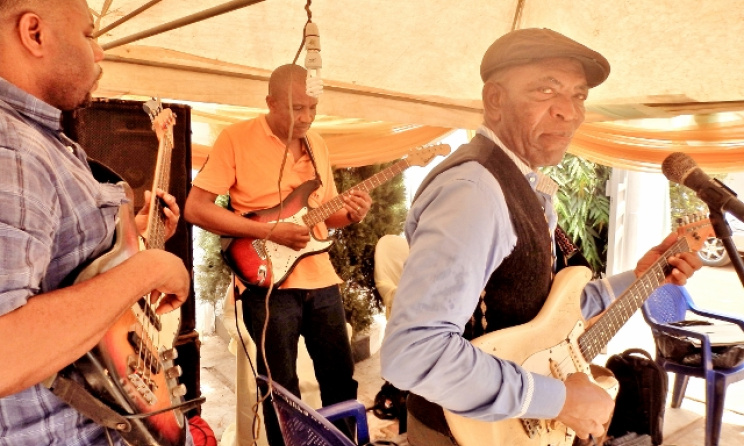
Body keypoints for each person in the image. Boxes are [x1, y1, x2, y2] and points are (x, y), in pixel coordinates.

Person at [379, 28, 703, 445]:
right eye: (546, 90)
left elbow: (545, 310)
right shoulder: (475, 191)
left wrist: (641, 276)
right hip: (462, 434)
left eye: (579, 95)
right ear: (495, 100)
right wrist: (557, 398)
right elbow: (413, 353)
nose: (569, 111)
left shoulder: (519, 182)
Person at [0, 1, 193, 445]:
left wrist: (127, 242)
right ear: (35, 33)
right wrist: (149, 268)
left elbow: (57, 269)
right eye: (89, 35)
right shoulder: (11, 147)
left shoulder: (38, 139)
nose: (101, 52)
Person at [184, 63, 371, 445]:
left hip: (322, 280)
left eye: (312, 108)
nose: (306, 118)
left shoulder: (316, 144)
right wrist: (269, 231)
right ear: (270, 102)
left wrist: (350, 213)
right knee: (280, 392)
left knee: (340, 380)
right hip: (268, 284)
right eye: (296, 108)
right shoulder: (235, 138)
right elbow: (196, 208)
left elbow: (323, 216)